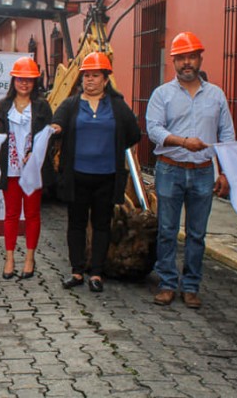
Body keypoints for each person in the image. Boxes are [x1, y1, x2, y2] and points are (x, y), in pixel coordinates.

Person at [146, 31, 234, 309]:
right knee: (167, 229)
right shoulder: (162, 94)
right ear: (173, 62)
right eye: (181, 58)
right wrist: (183, 142)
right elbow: (153, 130)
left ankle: (191, 286)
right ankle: (167, 283)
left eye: (191, 57)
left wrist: (226, 173)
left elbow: (226, 135)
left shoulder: (216, 95)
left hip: (203, 172)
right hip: (169, 169)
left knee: (197, 233)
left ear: (200, 59)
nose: (187, 62)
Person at [52, 52, 141, 293]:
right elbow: (57, 123)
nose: (89, 80)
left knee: (102, 224)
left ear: (105, 79)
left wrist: (114, 146)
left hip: (107, 177)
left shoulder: (117, 105)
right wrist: (56, 128)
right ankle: (77, 270)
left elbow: (133, 134)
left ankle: (97, 273)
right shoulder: (71, 105)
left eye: (95, 75)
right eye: (86, 75)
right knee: (76, 224)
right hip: (77, 176)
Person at [0, 57, 52, 279]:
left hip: (32, 168)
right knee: (11, 214)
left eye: (29, 80)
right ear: (13, 80)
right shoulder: (3, 105)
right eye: (20, 79)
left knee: (33, 214)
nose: (24, 83)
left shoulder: (42, 106)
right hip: (10, 168)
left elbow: (48, 136)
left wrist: (34, 154)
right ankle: (9, 258)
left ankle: (29, 258)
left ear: (35, 82)